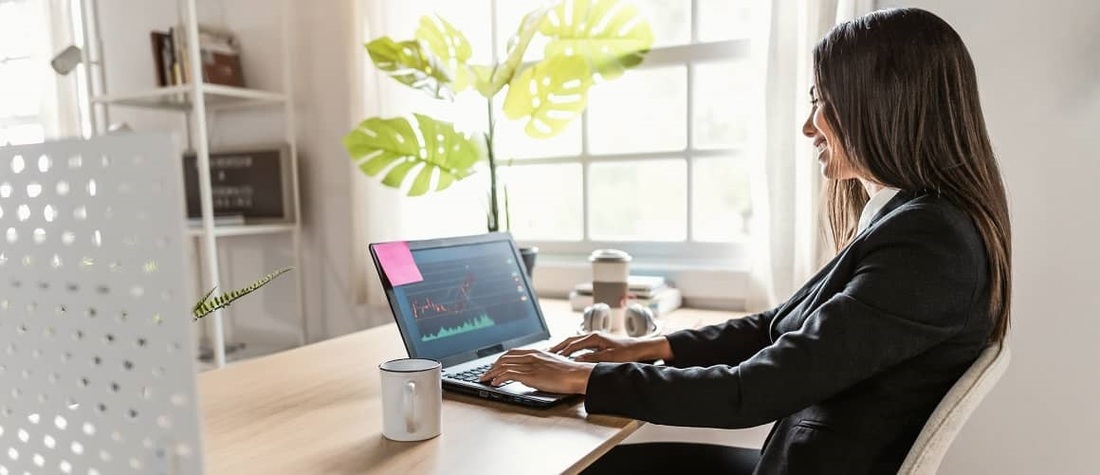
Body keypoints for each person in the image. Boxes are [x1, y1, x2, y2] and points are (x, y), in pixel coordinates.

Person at [482, 7, 1011, 474]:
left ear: (881, 104)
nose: (809, 126)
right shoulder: (911, 222)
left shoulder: (929, 246)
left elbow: (750, 392)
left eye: (822, 102)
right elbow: (783, 323)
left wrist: (583, 379)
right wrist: (652, 346)